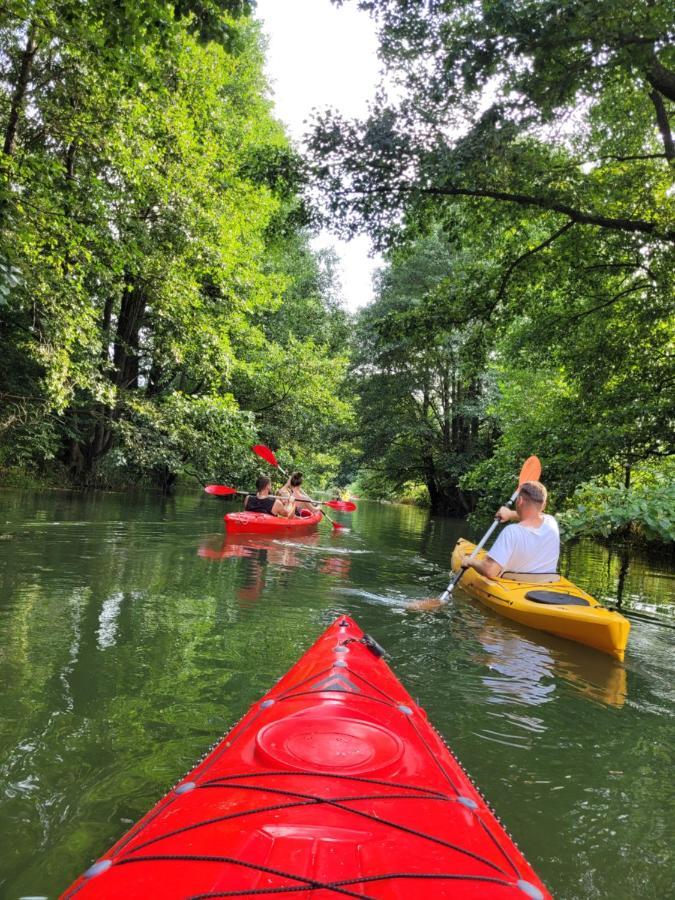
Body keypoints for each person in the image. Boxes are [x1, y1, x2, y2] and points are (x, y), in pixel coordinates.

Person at [461, 480, 559, 578]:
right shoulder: (551, 523)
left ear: (520, 500)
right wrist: (510, 514)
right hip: (547, 584)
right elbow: (535, 515)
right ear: (544, 505)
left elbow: (489, 571)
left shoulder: (512, 532)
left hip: (514, 586)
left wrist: (471, 561)